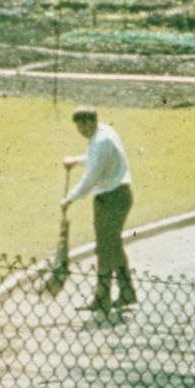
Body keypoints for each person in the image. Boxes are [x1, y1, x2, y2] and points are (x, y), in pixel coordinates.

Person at [62, 105, 136, 312]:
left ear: (92, 122)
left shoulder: (101, 141)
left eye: (84, 125)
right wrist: (77, 161)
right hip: (116, 194)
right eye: (79, 126)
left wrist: (69, 199)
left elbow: (92, 176)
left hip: (112, 197)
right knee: (112, 246)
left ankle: (102, 298)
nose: (82, 130)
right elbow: (95, 160)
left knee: (105, 249)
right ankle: (127, 293)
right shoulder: (102, 133)